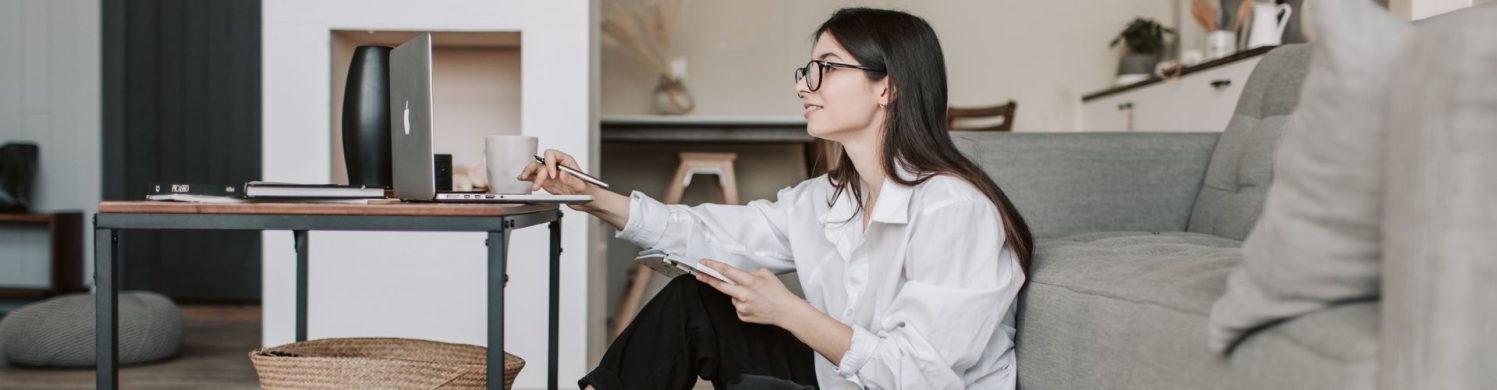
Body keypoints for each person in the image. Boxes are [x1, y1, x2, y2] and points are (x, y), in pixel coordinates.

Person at [520, 7, 1033, 390]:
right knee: (694, 301)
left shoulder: (953, 211)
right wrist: (589, 195)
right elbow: (706, 232)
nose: (803, 87)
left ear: (887, 88)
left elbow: (920, 376)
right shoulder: (828, 199)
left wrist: (789, 312)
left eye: (826, 69)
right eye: (805, 70)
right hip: (843, 380)